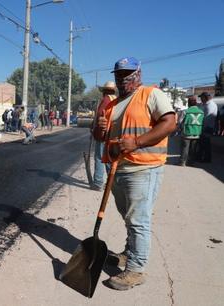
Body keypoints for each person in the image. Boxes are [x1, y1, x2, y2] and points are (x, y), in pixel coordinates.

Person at [95, 57, 176, 290]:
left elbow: (169, 123)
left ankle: (136, 269)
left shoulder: (151, 94)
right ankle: (129, 253)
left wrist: (138, 142)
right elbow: (101, 138)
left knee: (139, 220)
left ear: (138, 74)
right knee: (128, 216)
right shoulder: (112, 104)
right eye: (120, 74)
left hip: (143, 167)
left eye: (128, 73)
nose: (124, 78)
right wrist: (100, 131)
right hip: (117, 169)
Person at [90, 81, 117, 191]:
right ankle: (112, 183)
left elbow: (101, 116)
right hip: (112, 134)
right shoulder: (116, 100)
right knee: (108, 159)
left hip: (103, 135)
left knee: (99, 158)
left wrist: (94, 127)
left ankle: (98, 182)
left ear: (104, 91)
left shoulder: (106, 100)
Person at [178, 96, 203, 166]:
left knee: (185, 148)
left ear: (188, 103)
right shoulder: (201, 112)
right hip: (197, 132)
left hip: (187, 132)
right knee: (193, 149)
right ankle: (191, 162)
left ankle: (182, 162)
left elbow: (180, 122)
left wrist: (179, 129)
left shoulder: (185, 112)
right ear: (196, 104)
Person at [197, 92, 217, 162]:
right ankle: (200, 157)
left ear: (206, 97)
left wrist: (202, 127)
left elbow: (207, 117)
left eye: (201, 97)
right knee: (202, 143)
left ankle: (207, 159)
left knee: (206, 144)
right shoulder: (205, 104)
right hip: (205, 127)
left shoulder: (210, 105)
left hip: (207, 127)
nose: (201, 99)